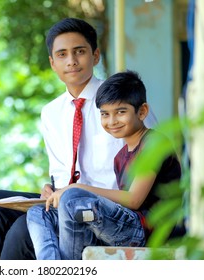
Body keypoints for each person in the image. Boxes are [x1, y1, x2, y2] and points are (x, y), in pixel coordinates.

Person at [0, 18, 156, 260]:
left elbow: (147, 165)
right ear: (52, 63)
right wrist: (51, 189)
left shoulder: (121, 104)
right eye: (62, 54)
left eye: (80, 52)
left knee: (23, 230)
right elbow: (61, 170)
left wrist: (74, 192)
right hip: (62, 201)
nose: (71, 61)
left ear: (95, 55)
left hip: (103, 210)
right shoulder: (51, 112)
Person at [26, 70, 182, 260]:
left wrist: (76, 188)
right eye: (105, 114)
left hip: (145, 230)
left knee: (73, 198)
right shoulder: (120, 156)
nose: (112, 121)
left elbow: (134, 200)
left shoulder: (154, 143)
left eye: (121, 112)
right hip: (121, 226)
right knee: (39, 213)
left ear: (142, 111)